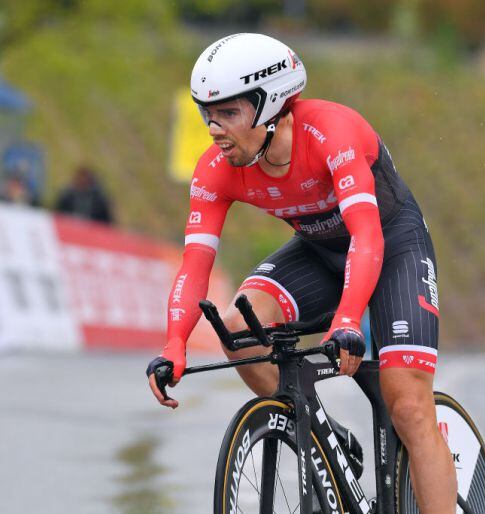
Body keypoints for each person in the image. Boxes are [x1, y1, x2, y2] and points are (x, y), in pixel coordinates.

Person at [146, 34, 456, 512]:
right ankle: (324, 439)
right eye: (206, 113)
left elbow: (367, 238)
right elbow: (194, 266)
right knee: (237, 331)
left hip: (390, 246)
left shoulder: (333, 133)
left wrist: (349, 319)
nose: (213, 129)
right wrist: (174, 344)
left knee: (409, 405)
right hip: (318, 250)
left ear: (270, 106)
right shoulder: (216, 169)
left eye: (228, 114)